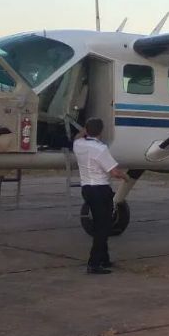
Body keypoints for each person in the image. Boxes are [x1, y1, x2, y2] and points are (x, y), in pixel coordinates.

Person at [73, 118, 128, 275]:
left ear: (86, 130)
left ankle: (104, 258)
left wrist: (84, 130)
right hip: (100, 189)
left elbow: (77, 137)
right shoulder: (100, 149)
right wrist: (125, 177)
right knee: (103, 227)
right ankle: (94, 263)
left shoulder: (79, 144)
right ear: (101, 131)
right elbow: (114, 172)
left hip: (87, 189)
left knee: (100, 224)